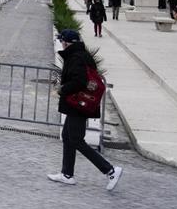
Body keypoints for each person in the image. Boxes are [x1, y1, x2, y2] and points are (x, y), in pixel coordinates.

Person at [47, 30, 122, 191]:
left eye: (62, 41)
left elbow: (79, 81)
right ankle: (67, 174)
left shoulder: (76, 58)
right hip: (78, 104)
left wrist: (62, 89)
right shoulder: (82, 55)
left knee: (76, 140)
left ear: (67, 42)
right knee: (67, 136)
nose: (61, 43)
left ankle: (110, 170)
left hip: (78, 105)